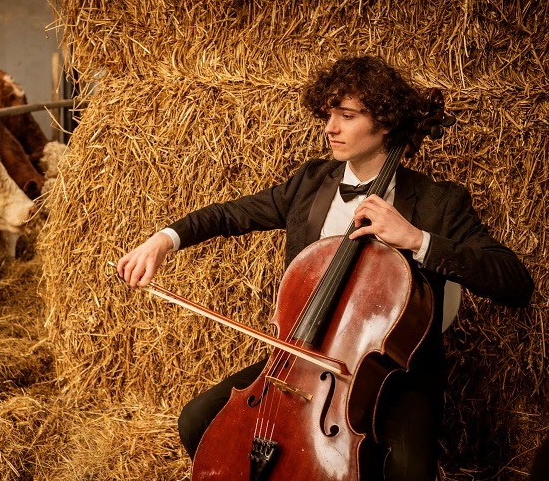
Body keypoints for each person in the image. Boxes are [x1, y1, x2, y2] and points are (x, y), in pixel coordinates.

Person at [116, 55, 534, 480]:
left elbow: (515, 283)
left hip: (392, 376)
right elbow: (230, 215)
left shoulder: (438, 202)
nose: (330, 127)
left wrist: (416, 240)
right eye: (328, 114)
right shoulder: (313, 181)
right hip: (301, 358)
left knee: (407, 471)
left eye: (346, 116)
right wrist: (163, 240)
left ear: (386, 123)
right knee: (197, 422)